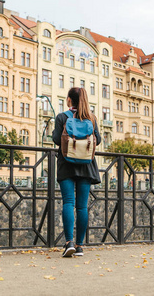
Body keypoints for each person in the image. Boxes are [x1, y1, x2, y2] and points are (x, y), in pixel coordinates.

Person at [52, 87, 101, 257]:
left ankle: (69, 243)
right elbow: (98, 140)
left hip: (66, 163)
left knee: (68, 203)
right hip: (86, 164)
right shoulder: (92, 118)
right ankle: (80, 246)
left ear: (69, 100)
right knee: (81, 206)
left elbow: (57, 139)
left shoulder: (62, 117)